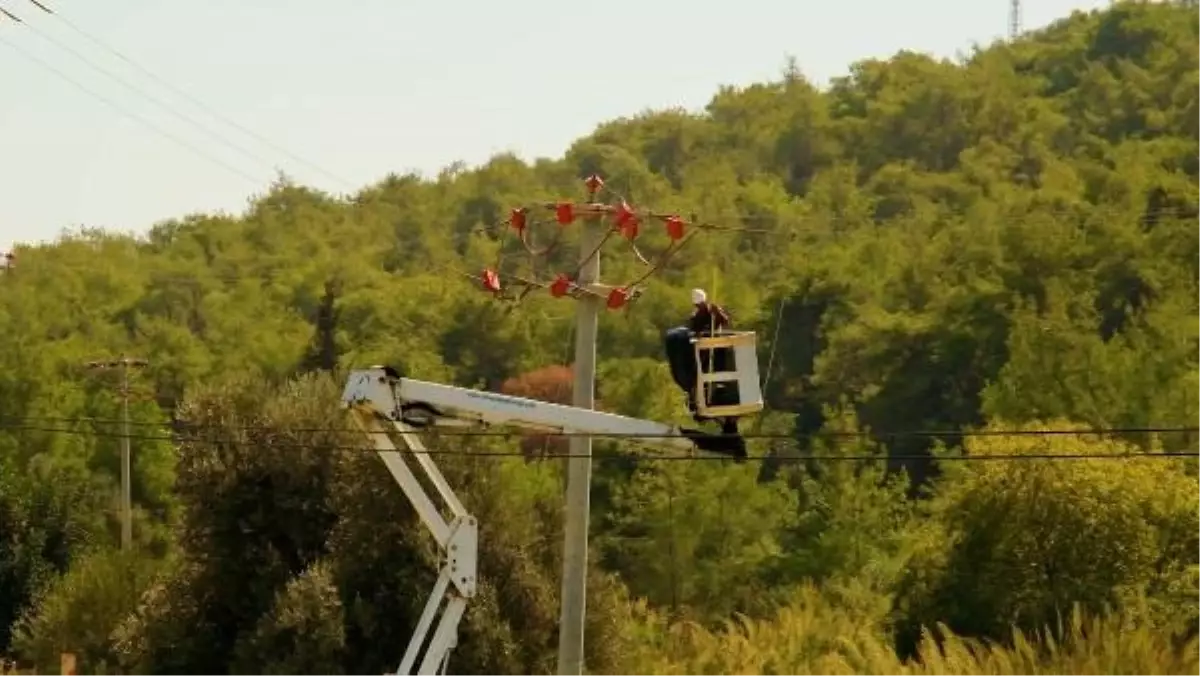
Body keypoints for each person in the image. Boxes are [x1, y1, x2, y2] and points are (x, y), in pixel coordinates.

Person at [664, 288, 732, 417]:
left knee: (708, 365)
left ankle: (712, 388)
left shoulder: (713, 310)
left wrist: (716, 314)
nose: (699, 306)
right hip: (703, 346)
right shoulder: (696, 316)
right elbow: (694, 330)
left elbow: (724, 321)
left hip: (715, 344)